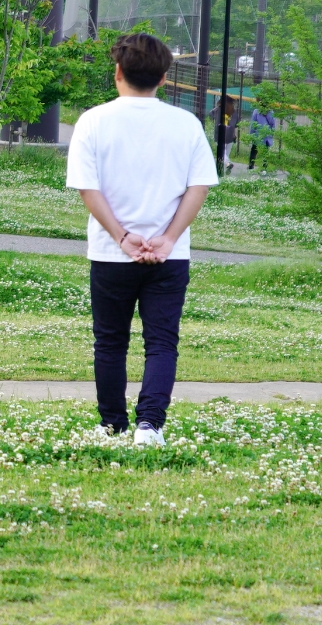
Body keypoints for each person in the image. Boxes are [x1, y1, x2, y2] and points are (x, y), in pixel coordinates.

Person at [65, 31, 217, 447]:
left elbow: (87, 188)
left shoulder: (93, 120)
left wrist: (122, 236)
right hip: (170, 256)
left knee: (110, 340)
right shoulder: (186, 124)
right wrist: (167, 239)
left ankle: (111, 423)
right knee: (162, 341)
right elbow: (198, 187)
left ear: (117, 72)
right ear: (165, 78)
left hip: (112, 253)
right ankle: (150, 426)